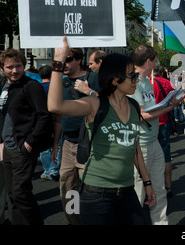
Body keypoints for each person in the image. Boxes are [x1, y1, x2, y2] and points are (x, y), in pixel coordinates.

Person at [47, 37, 156, 225]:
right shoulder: (95, 105)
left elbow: (135, 148)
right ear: (115, 79)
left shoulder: (134, 105)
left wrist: (147, 183)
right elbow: (55, 106)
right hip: (97, 195)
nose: (137, 80)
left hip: (127, 193)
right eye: (132, 76)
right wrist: (58, 60)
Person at [129, 44, 184, 225]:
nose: (156, 64)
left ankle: (161, 222)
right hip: (141, 144)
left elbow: (149, 110)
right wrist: (169, 107)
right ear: (148, 62)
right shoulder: (135, 82)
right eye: (154, 61)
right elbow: (141, 115)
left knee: (159, 189)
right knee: (139, 191)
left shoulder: (147, 81)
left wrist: (168, 104)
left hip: (153, 141)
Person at [0, 49, 53, 225]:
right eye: (10, 67)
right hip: (7, 148)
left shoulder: (31, 86)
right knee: (13, 195)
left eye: (18, 66)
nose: (14, 70)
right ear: (2, 68)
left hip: (22, 148)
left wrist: (29, 142)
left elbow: (44, 116)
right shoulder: (4, 86)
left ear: (24, 66)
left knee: (21, 193)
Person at [58, 47, 99, 225]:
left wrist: (89, 90)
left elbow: (109, 104)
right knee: (67, 187)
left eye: (68, 60)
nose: (64, 64)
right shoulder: (61, 83)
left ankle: (91, 220)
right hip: (67, 142)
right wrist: (55, 145)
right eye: (62, 61)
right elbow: (57, 116)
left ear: (78, 60)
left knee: (91, 188)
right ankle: (74, 222)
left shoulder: (93, 78)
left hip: (89, 143)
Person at [152, 60, 176, 198]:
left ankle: (154, 186)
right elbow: (174, 98)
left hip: (148, 123)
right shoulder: (166, 83)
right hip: (163, 122)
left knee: (150, 156)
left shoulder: (145, 82)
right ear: (160, 72)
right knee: (166, 156)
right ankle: (168, 186)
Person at [38, 65, 62, 181]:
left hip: (42, 120)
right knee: (57, 144)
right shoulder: (55, 88)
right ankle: (54, 169)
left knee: (44, 147)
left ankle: (47, 170)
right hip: (56, 117)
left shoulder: (37, 88)